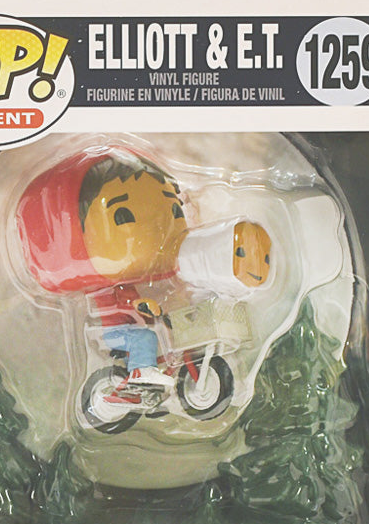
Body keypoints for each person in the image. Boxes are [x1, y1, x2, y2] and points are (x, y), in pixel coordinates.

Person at [17, 147, 270, 388]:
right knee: (147, 338)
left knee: (173, 330)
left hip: (141, 322)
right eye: (124, 216)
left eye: (174, 210)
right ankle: (141, 373)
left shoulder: (154, 273)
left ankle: (161, 372)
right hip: (117, 332)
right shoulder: (108, 288)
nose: (158, 226)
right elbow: (121, 305)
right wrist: (142, 306)